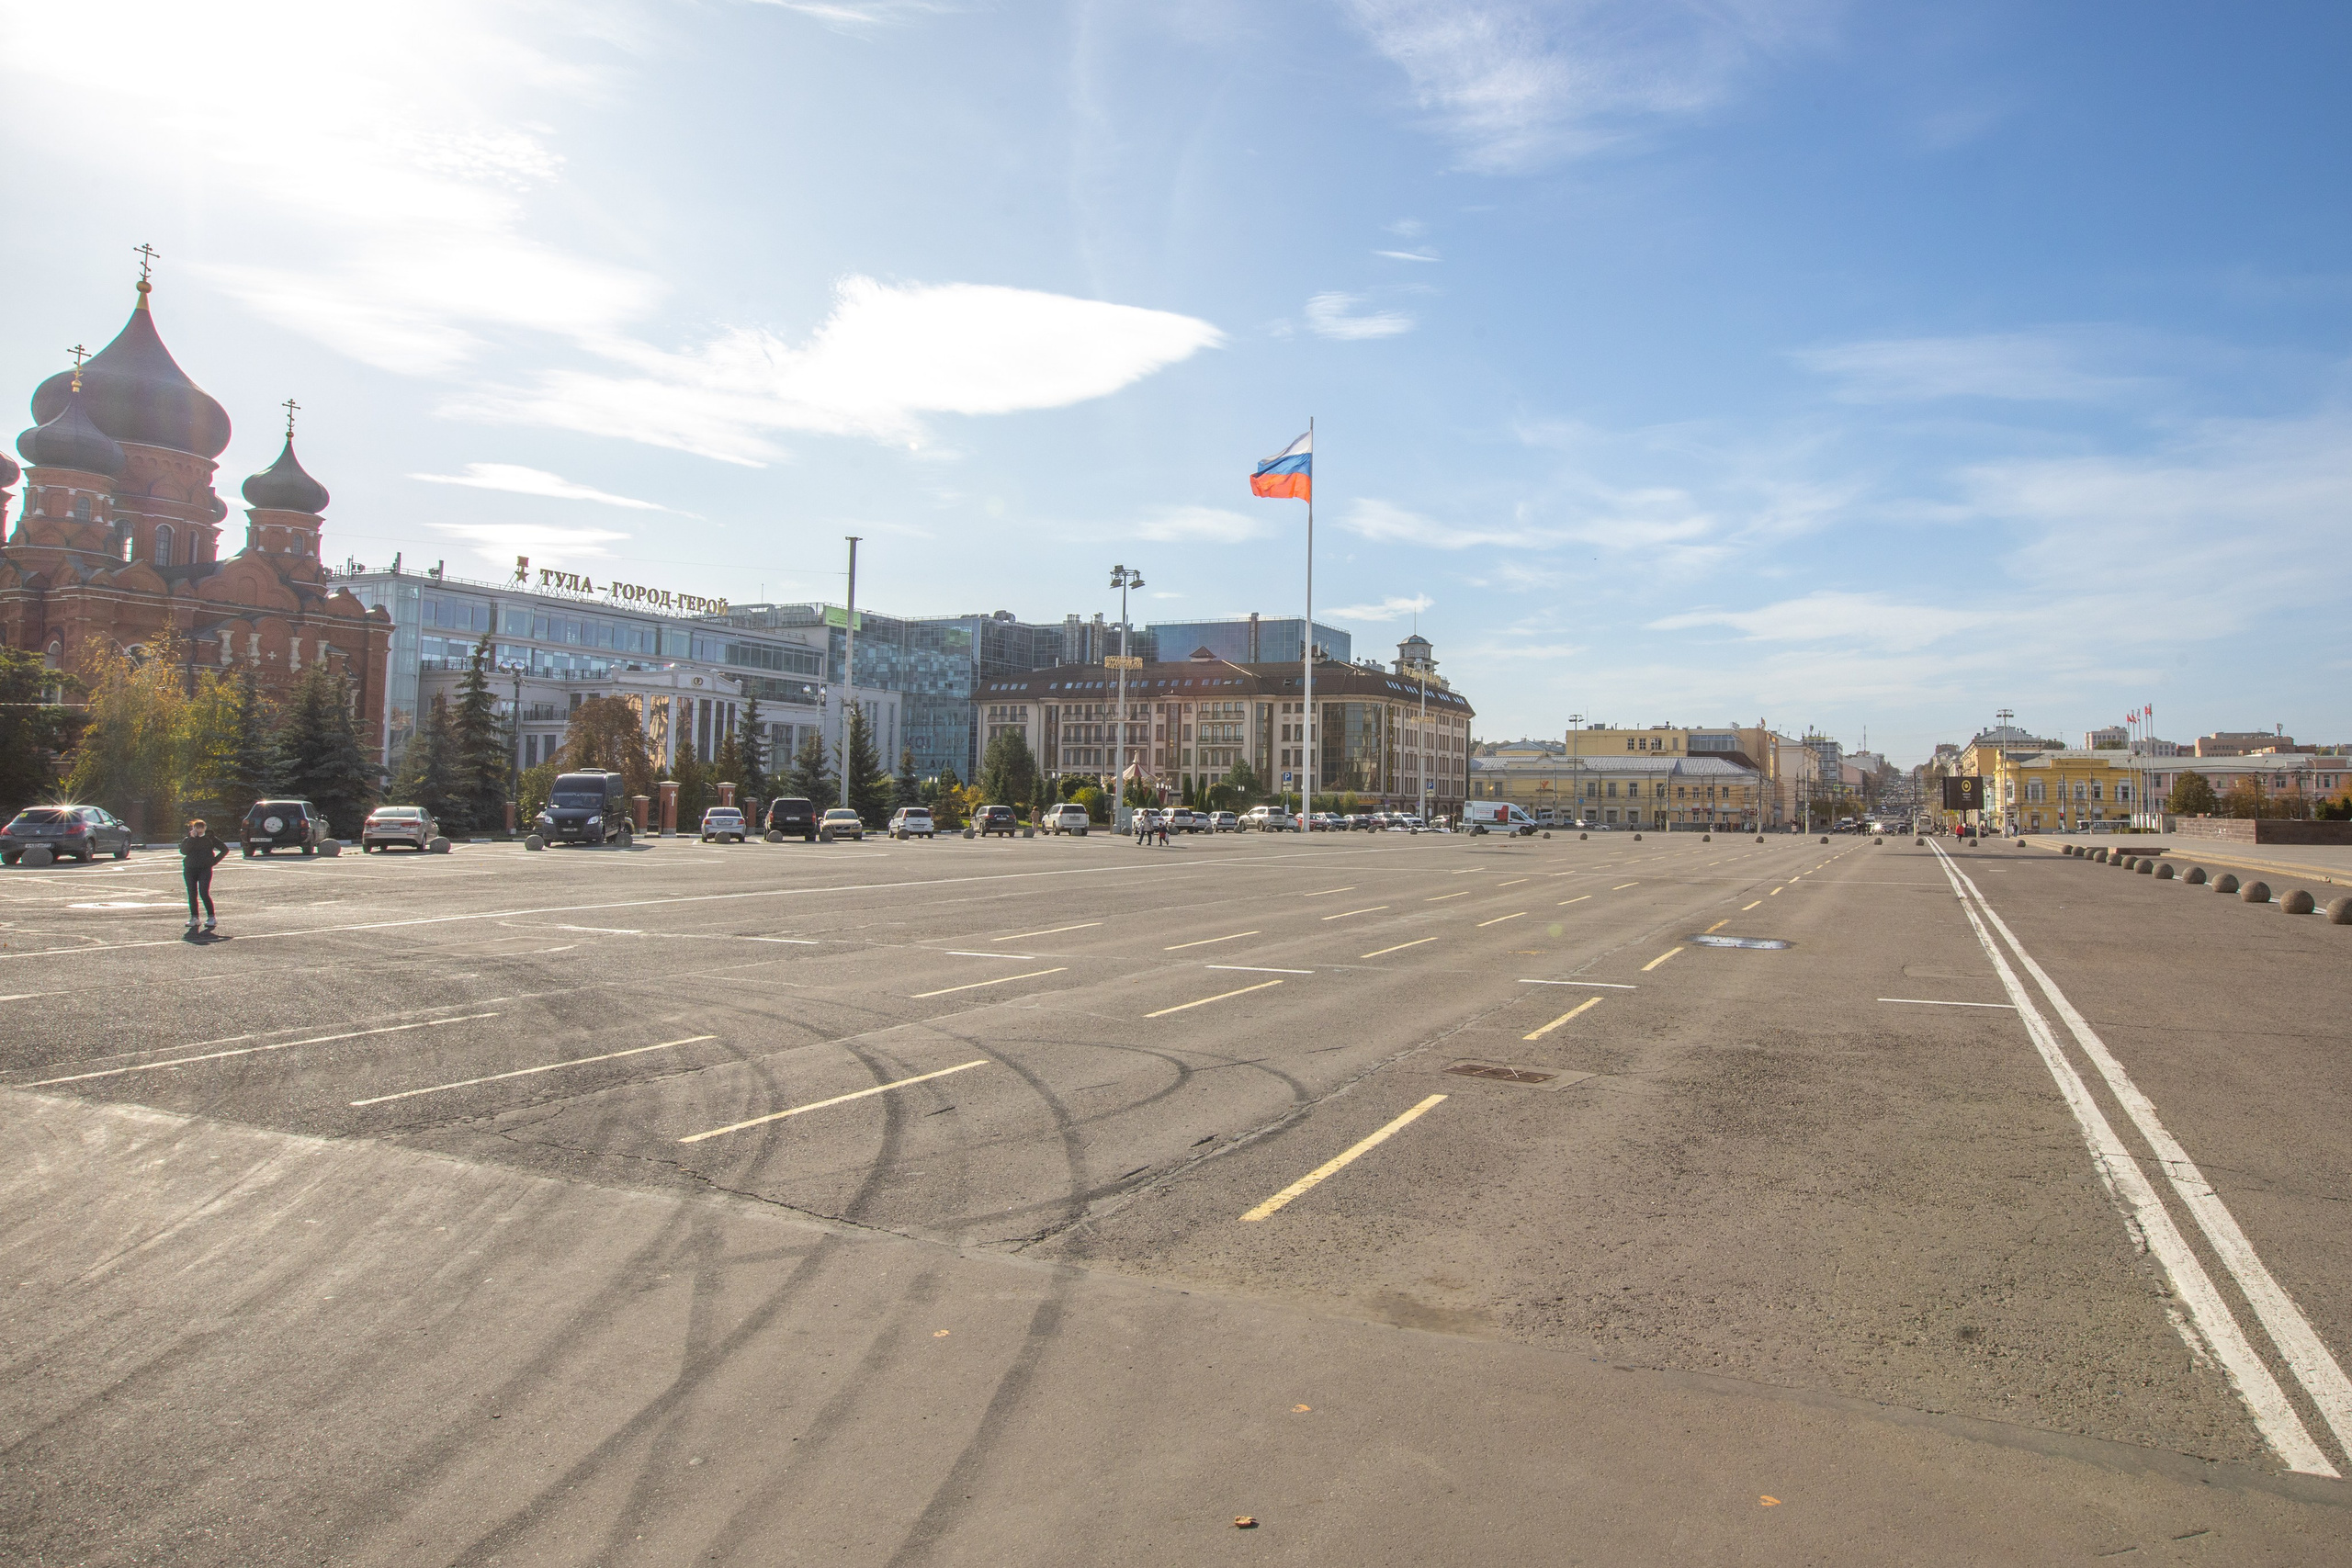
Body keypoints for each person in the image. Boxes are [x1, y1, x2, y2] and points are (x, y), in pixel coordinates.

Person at [179, 818, 228, 933]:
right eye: (197, 828)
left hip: (205, 869)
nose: (199, 830)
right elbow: (184, 851)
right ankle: (194, 918)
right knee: (192, 893)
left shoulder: (210, 838)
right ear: (193, 828)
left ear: (205, 828)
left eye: (202, 828)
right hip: (190, 869)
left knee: (204, 892)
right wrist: (191, 838)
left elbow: (224, 849)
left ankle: (211, 917)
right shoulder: (188, 839)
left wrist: (213, 861)